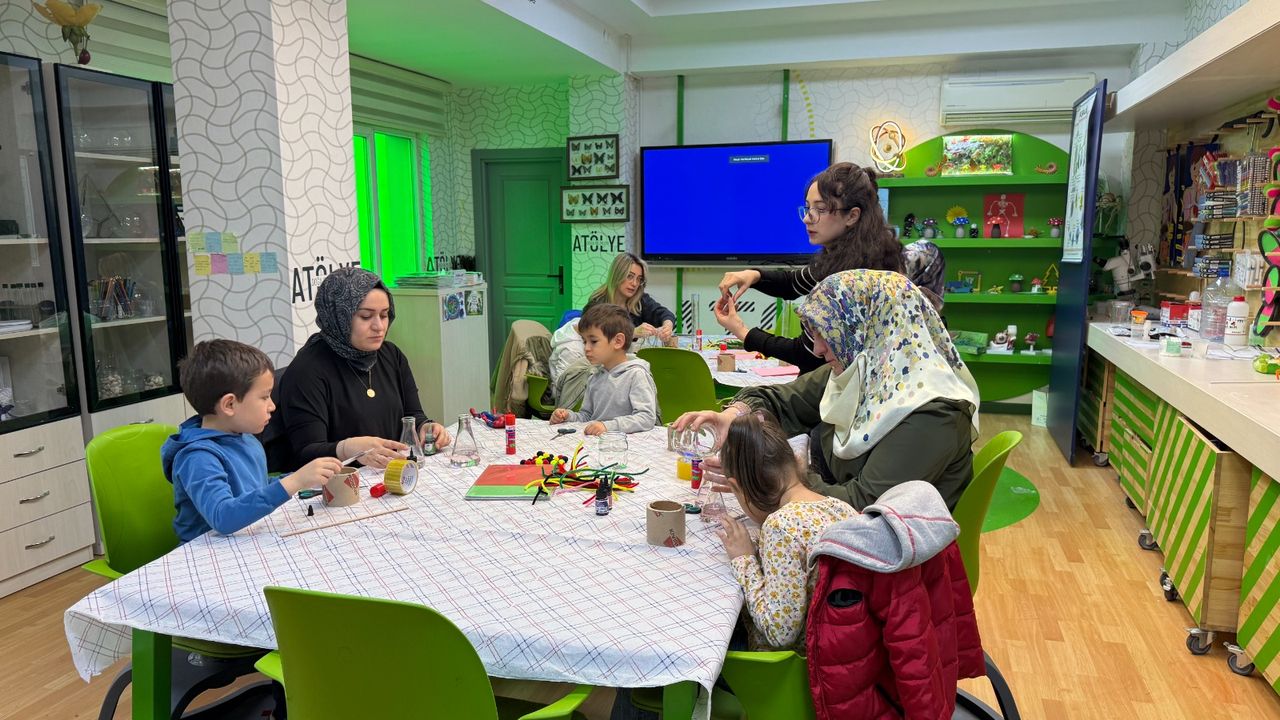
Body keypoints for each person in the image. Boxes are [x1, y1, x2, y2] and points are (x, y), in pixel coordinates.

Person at [677, 269, 979, 512]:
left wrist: (772, 478)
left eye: (829, 333)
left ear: (868, 329)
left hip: (890, 570)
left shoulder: (932, 413)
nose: (818, 348)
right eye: (815, 333)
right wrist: (734, 415)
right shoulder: (864, 373)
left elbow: (863, 508)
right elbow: (780, 400)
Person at [713, 163, 945, 373]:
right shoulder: (845, 254)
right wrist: (753, 275)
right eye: (807, 208)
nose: (807, 218)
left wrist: (742, 331)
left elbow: (807, 354)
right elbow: (794, 282)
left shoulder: (849, 280)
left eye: (820, 209)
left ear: (852, 216)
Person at [162, 339, 345, 543]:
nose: (272, 406)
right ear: (229, 404)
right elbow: (223, 517)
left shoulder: (245, 438)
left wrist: (302, 479)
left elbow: (252, 488)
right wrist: (294, 481)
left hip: (245, 541)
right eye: (264, 397)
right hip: (204, 555)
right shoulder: (197, 458)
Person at [279, 267, 450, 470]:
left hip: (394, 474)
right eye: (366, 316)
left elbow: (413, 415)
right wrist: (348, 448)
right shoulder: (306, 371)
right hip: (343, 485)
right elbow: (305, 454)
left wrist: (426, 428)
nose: (379, 326)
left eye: (384, 315)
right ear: (339, 316)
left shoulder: (391, 355)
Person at [717, 412, 857, 651]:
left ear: (735, 486)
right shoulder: (843, 509)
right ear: (796, 462)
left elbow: (779, 632)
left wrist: (745, 560)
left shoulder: (781, 528)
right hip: (842, 650)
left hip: (792, 668)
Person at [549, 303, 658, 435]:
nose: (586, 348)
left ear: (618, 341)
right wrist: (568, 416)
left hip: (628, 448)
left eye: (593, 341)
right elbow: (588, 417)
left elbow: (646, 418)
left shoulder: (636, 374)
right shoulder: (595, 375)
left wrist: (607, 426)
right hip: (598, 445)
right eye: (584, 341)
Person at [585, 252, 676, 345]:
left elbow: (664, 313)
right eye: (630, 276)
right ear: (617, 275)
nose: (634, 284)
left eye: (639, 279)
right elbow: (596, 337)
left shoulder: (640, 300)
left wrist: (667, 326)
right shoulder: (596, 304)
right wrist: (633, 333)